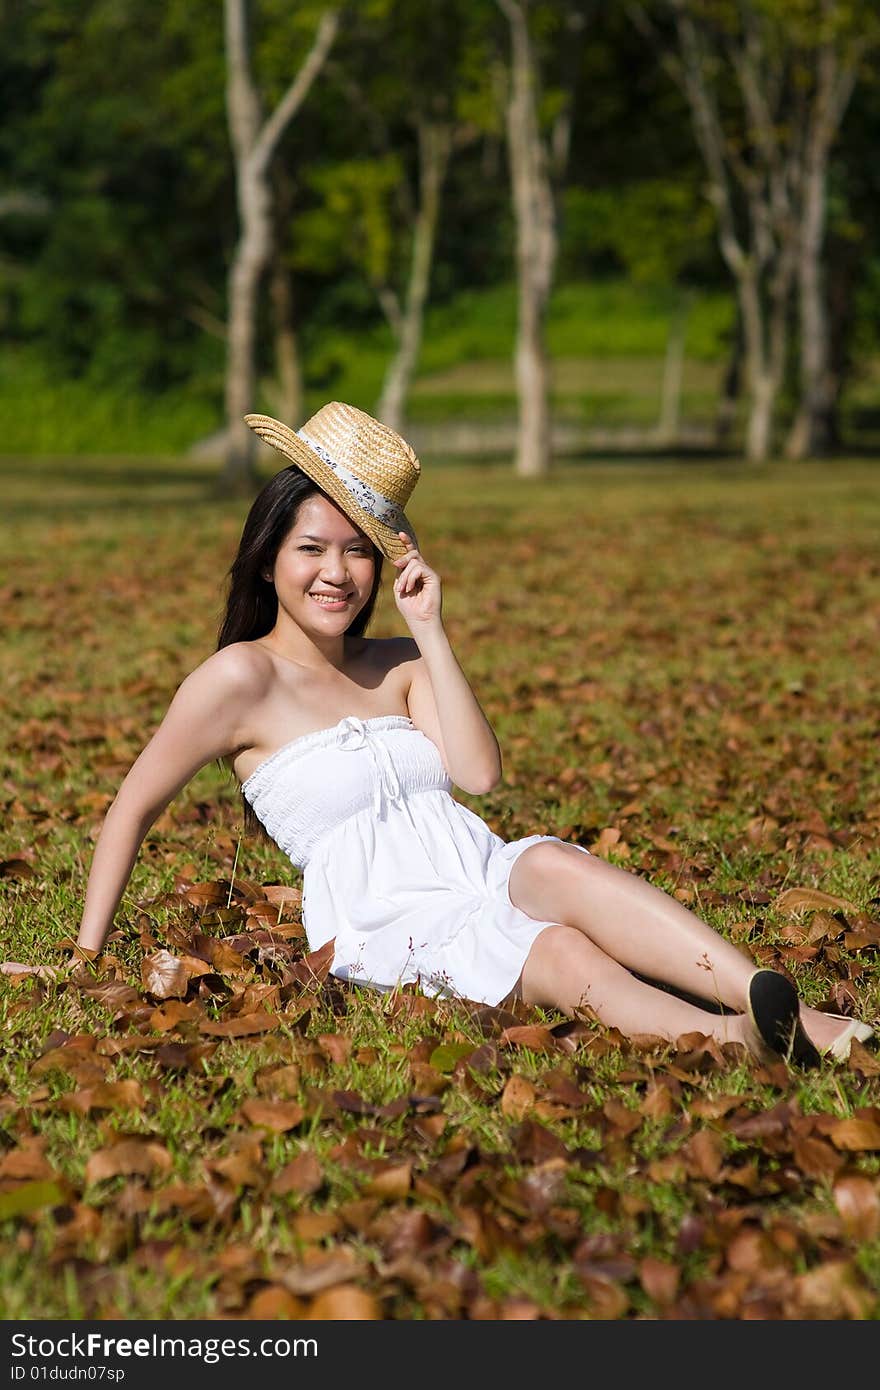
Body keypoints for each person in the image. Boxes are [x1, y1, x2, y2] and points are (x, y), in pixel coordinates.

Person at [2, 402, 873, 1066]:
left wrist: (430, 630)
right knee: (558, 950)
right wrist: (85, 958)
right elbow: (130, 810)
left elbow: (479, 778)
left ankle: (781, 1006)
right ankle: (735, 1040)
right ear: (268, 555)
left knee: (552, 864)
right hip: (389, 914)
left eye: (357, 552)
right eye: (311, 549)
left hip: (476, 867)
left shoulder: (399, 663)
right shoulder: (239, 680)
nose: (335, 573)